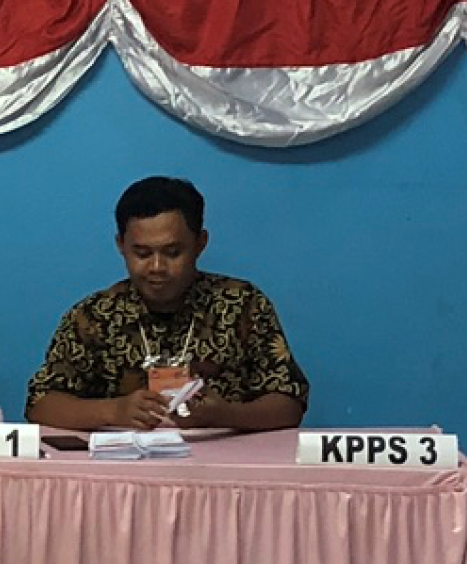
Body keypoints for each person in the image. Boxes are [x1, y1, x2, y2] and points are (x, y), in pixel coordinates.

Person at [25, 176, 308, 432]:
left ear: (200, 243)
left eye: (173, 252)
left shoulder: (242, 305)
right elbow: (41, 404)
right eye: (142, 253)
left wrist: (225, 414)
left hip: (222, 470)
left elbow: (288, 403)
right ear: (120, 245)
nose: (157, 267)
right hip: (123, 472)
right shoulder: (94, 316)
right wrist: (113, 410)